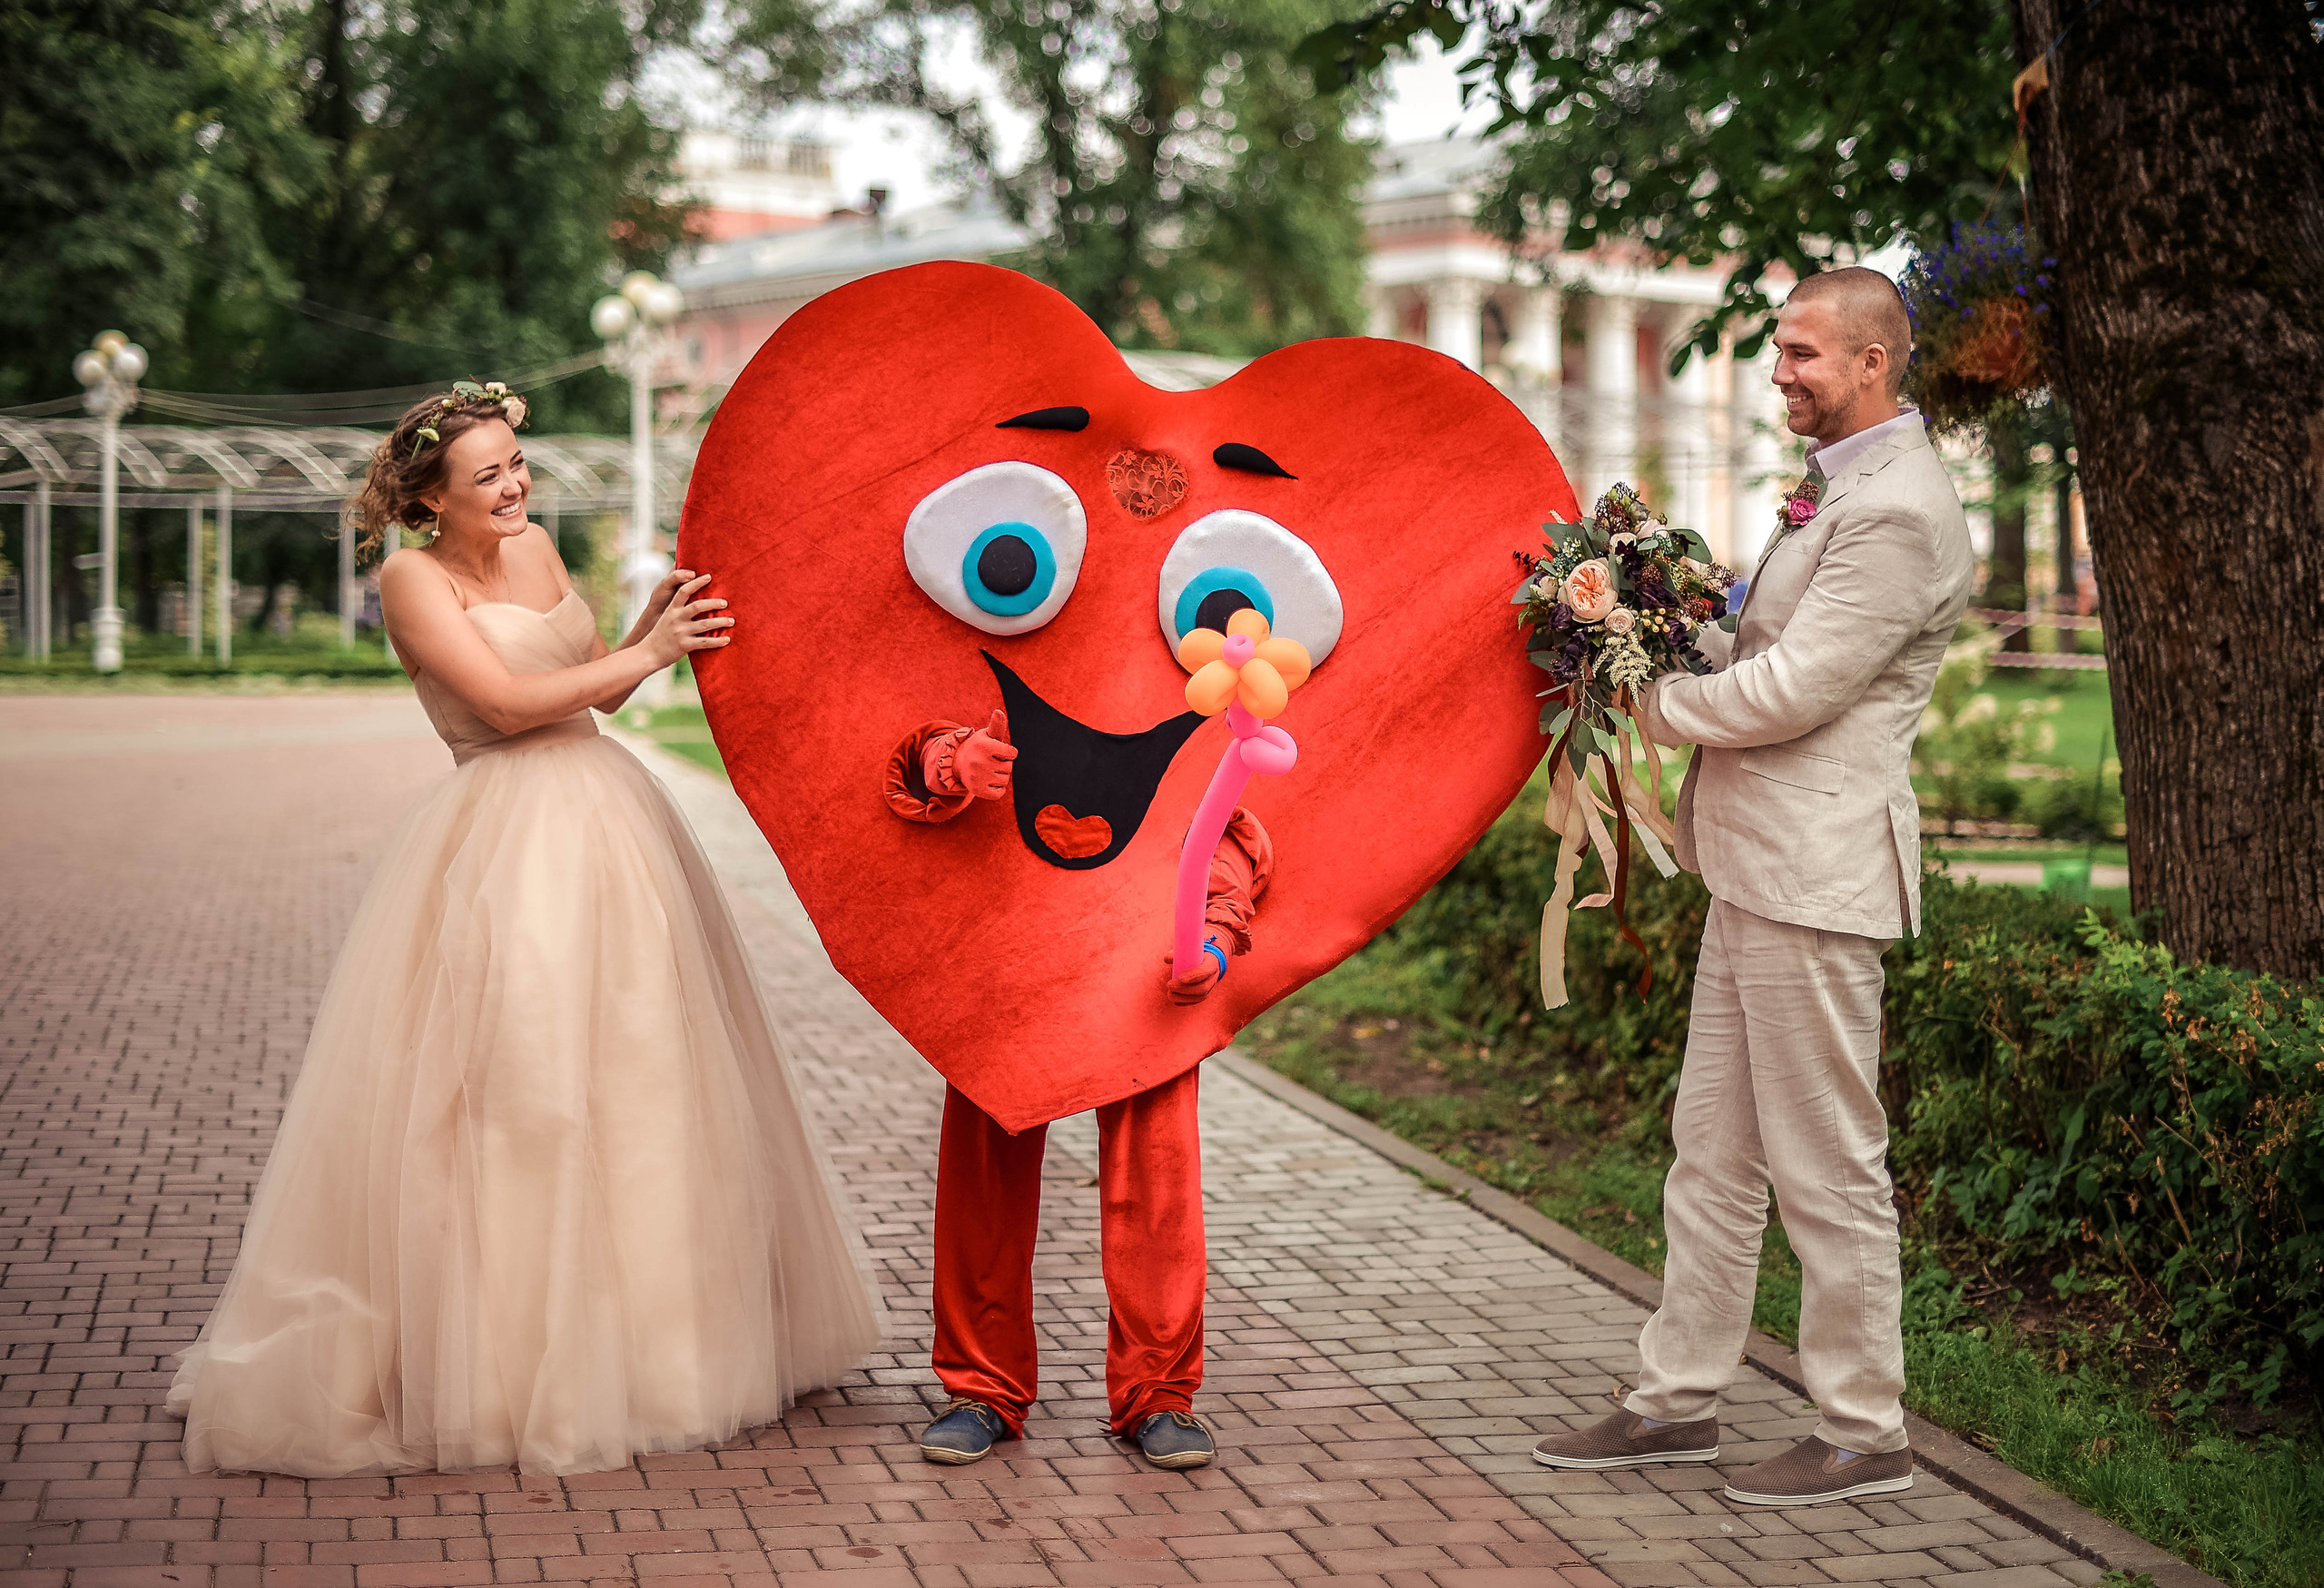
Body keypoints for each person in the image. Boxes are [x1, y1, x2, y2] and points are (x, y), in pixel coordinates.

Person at [166, 384, 882, 1477]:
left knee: (642, 1076)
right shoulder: (408, 579)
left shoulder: (544, 550)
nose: (513, 487)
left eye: (516, 464)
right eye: (486, 475)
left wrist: (650, 635)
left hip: (612, 824)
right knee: (522, 1087)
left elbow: (586, 699)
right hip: (501, 837)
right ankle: (504, 1355)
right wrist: (646, 657)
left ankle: (659, 1342)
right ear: (429, 498)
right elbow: (505, 706)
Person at [1528, 268, 1972, 1506]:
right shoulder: (1840, 488)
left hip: (1817, 880)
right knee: (1711, 1154)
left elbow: (1792, 694)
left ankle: (1864, 1427)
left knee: (1829, 1164)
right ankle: (1675, 1402)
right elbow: (1761, 652)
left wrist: (1640, 700)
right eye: (1780, 351)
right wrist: (1641, 631)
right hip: (1756, 870)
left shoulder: (1898, 511)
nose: (1780, 371)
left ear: (1875, 362)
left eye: (1802, 354)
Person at [877, 709, 1275, 1472]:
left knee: (1157, 1179)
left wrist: (1214, 942)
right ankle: (980, 1387)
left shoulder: (1180, 660)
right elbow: (903, 722)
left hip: (1142, 962)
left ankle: (1159, 1391)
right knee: (983, 1177)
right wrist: (951, 759)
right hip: (1009, 952)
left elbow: (1216, 807)